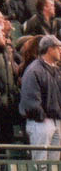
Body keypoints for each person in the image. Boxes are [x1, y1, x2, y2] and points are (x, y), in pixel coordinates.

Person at [19, 34, 61, 163]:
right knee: (41, 164)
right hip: (41, 123)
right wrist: (42, 117)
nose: (60, 51)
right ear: (50, 49)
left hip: (56, 121)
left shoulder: (57, 70)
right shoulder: (34, 70)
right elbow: (30, 100)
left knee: (54, 166)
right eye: (58, 48)